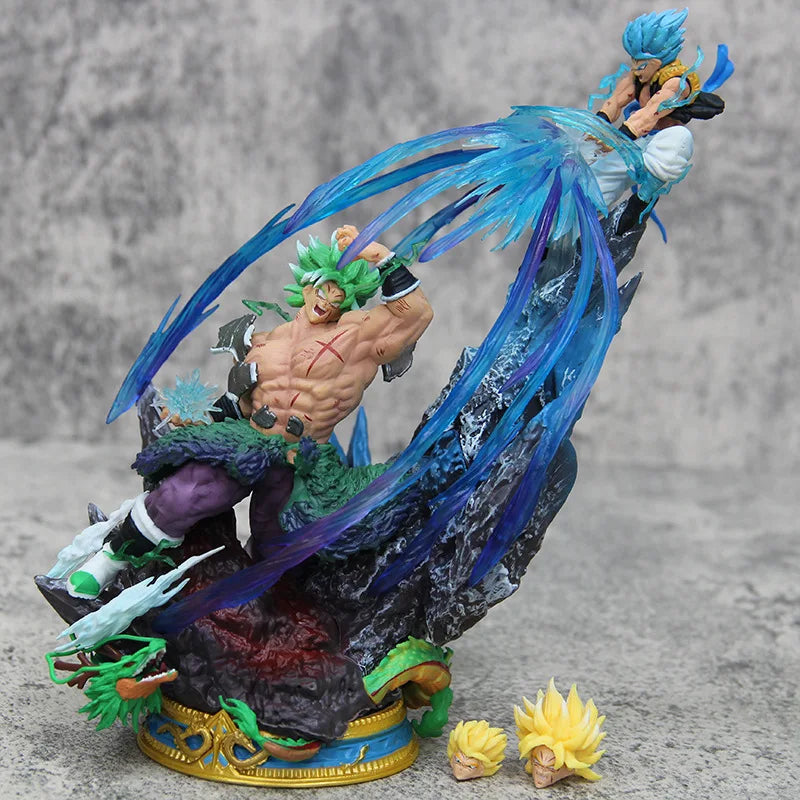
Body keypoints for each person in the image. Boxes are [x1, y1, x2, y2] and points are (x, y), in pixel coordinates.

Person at [66, 225, 433, 599]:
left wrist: (378, 256)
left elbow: (417, 314)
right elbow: (240, 403)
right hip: (252, 439)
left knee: (280, 543)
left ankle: (265, 605)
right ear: (308, 284)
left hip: (303, 458)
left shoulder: (357, 336)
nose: (328, 301)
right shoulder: (261, 342)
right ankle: (109, 560)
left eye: (340, 296)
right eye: (324, 288)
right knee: (186, 493)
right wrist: (199, 418)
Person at [589, 8, 725, 231]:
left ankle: (640, 203)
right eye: (633, 61)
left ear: (657, 60)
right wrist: (597, 127)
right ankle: (575, 229)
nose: (635, 68)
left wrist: (615, 140)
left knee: (680, 139)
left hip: (660, 141)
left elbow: (649, 113)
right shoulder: (639, 75)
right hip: (636, 141)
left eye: (641, 63)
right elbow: (616, 101)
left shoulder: (676, 83)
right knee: (595, 186)